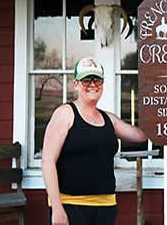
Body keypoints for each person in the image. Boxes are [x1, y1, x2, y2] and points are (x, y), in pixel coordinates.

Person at [42, 57, 147, 225]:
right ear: (76, 84)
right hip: (71, 207)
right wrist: (57, 208)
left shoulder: (109, 119)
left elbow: (141, 135)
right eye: (86, 80)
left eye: (96, 79)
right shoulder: (65, 114)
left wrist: (161, 113)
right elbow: (48, 161)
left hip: (105, 207)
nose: (92, 84)